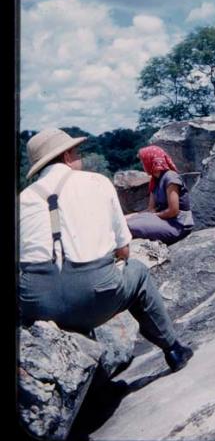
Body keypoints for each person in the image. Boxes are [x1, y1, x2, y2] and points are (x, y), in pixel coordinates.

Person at [19, 128, 193, 373]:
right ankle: (172, 349)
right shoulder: (97, 182)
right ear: (67, 156)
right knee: (138, 273)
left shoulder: (23, 198)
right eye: (77, 152)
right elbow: (124, 250)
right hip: (93, 296)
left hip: (37, 307)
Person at [126, 145, 194, 244]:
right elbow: (150, 209)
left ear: (150, 160)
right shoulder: (155, 180)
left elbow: (173, 211)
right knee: (124, 222)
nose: (142, 164)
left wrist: (152, 216)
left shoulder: (170, 177)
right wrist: (126, 217)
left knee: (129, 227)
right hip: (163, 219)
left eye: (143, 161)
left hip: (177, 224)